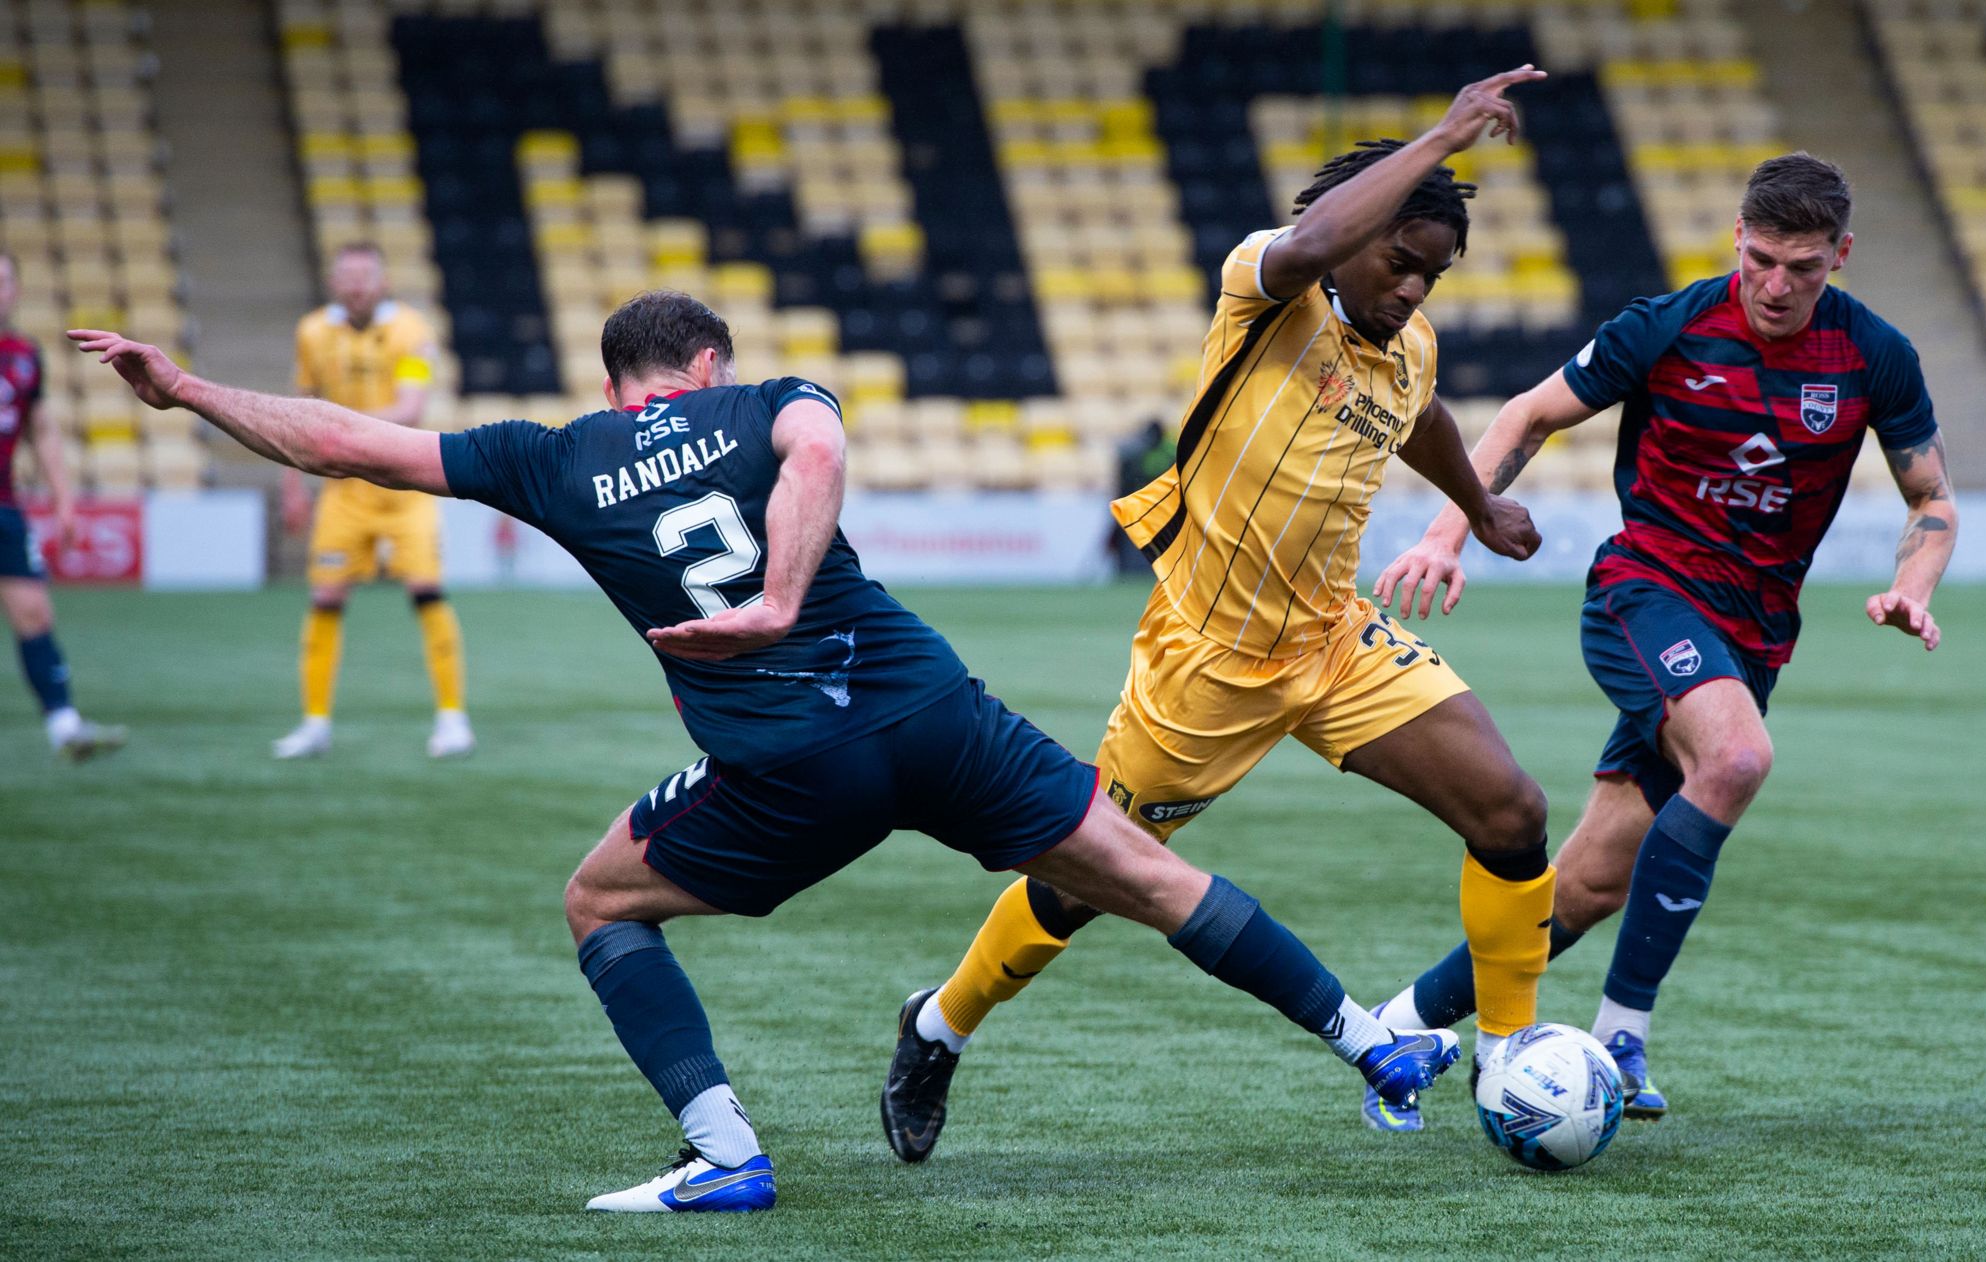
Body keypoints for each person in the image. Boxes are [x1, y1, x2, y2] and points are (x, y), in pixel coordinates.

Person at [70, 290, 1463, 1214]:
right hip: (934, 709)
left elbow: (344, 444)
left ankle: (724, 1152)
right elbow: (813, 457)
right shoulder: (770, 399)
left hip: (789, 765)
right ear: (704, 365)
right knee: (1142, 873)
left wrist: (184, 386)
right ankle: (1372, 1046)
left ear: (620, 381)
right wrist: (792, 591)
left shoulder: (554, 456)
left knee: (598, 900)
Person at [880, 66, 1557, 1159]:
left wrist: (1475, 504)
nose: (1411, 290)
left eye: (1431, 275)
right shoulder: (1267, 286)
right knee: (1076, 883)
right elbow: (1303, 247)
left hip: (1333, 638)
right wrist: (1439, 137)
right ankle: (939, 1022)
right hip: (1207, 655)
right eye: (1398, 261)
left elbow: (1418, 411)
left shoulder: (1408, 341)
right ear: (1353, 236)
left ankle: (1509, 1052)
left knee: (1511, 812)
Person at [1368, 152, 1956, 1122]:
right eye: (1761, 257)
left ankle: (1401, 1020)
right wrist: (1446, 530)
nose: (1774, 285)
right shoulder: (1669, 325)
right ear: (1736, 235)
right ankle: (1621, 1039)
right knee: (1732, 757)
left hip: (1748, 640)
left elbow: (1929, 495)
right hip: (1644, 590)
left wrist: (1910, 583)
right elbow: (1528, 412)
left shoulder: (1872, 355)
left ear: (1839, 255)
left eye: (1801, 267)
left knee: (1590, 882)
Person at [273, 242, 472, 760]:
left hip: (405, 483)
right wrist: (292, 486)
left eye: (366, 274)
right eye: (348, 275)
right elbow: (298, 409)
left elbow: (411, 406)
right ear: (334, 281)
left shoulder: (412, 331)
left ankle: (452, 718)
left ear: (382, 281)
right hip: (344, 490)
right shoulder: (312, 332)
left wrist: (340, 433)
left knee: (427, 592)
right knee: (324, 600)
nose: (356, 283)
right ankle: (314, 724)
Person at [0, 251, 124, 760]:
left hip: (4, 507)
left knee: (33, 612)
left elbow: (43, 431)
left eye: (4, 280)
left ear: (17, 290)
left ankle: (64, 724)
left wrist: (65, 500)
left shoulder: (25, 355)